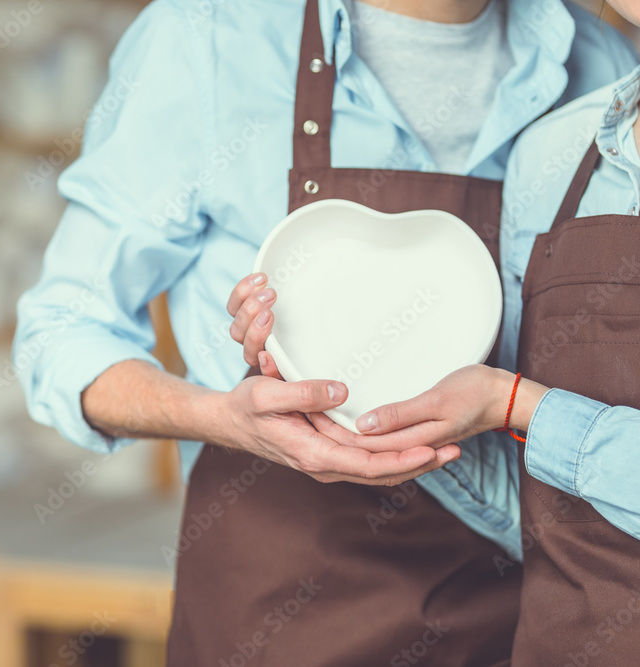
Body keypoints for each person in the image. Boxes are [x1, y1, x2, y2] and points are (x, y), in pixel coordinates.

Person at [14, 0, 637, 663]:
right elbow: (61, 331)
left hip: (517, 625)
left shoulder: (598, 63)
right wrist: (224, 418)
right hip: (277, 623)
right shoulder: (210, 38)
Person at [251, 2, 640, 662]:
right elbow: (538, 504)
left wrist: (520, 406)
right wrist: (355, 405)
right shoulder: (552, 155)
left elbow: (522, 409)